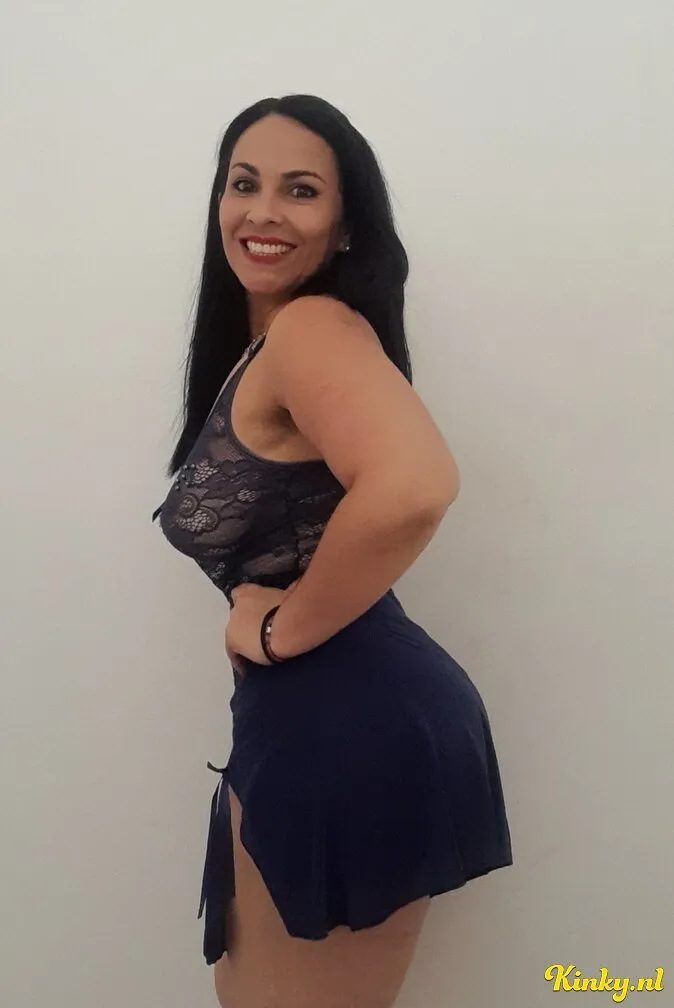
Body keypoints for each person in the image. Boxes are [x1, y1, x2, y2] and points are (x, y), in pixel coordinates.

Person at [153, 93, 513, 1008]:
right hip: (321, 719)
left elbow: (415, 484)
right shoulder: (270, 343)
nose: (263, 210)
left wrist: (280, 632)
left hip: (352, 722)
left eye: (301, 190)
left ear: (347, 227)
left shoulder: (312, 329)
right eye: (244, 183)